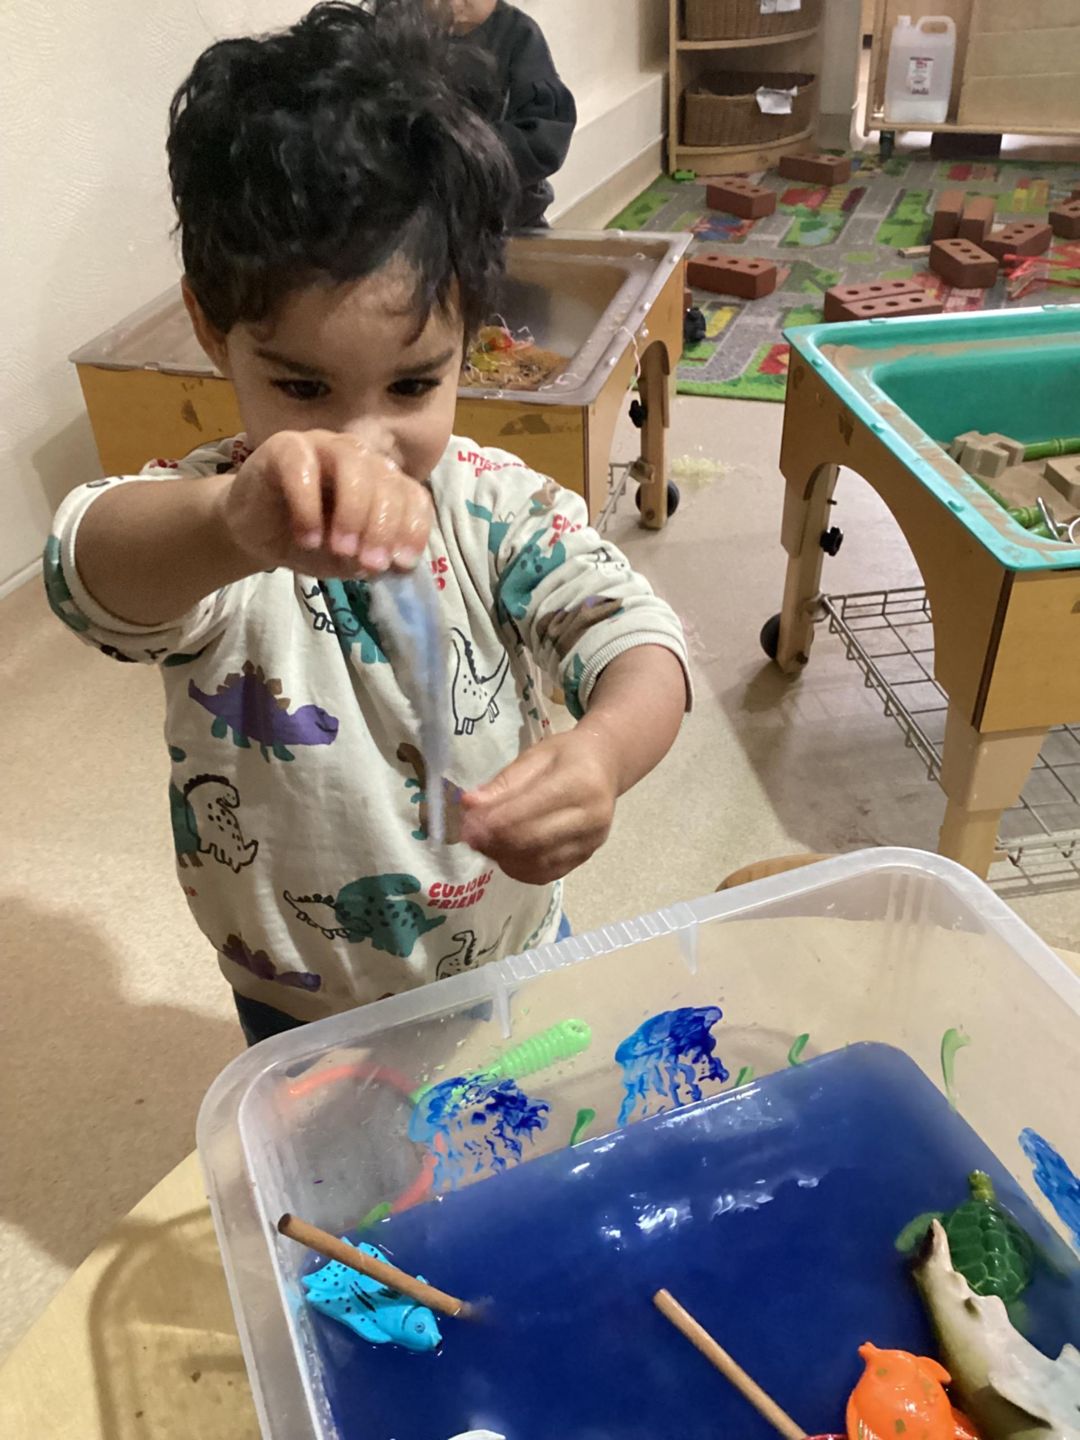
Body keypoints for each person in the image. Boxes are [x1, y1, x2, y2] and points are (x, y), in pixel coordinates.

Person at [45, 0, 688, 1047]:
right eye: (302, 387)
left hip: (506, 952)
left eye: (411, 385)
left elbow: (641, 641)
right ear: (211, 328)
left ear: (472, 334)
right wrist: (229, 526)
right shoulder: (222, 522)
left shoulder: (498, 508)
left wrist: (604, 754)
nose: (360, 443)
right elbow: (85, 567)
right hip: (295, 993)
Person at [449, 0, 575, 227]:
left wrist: (466, 157)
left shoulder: (519, 35)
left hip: (510, 217)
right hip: (426, 224)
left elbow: (545, 139)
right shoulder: (401, 30)